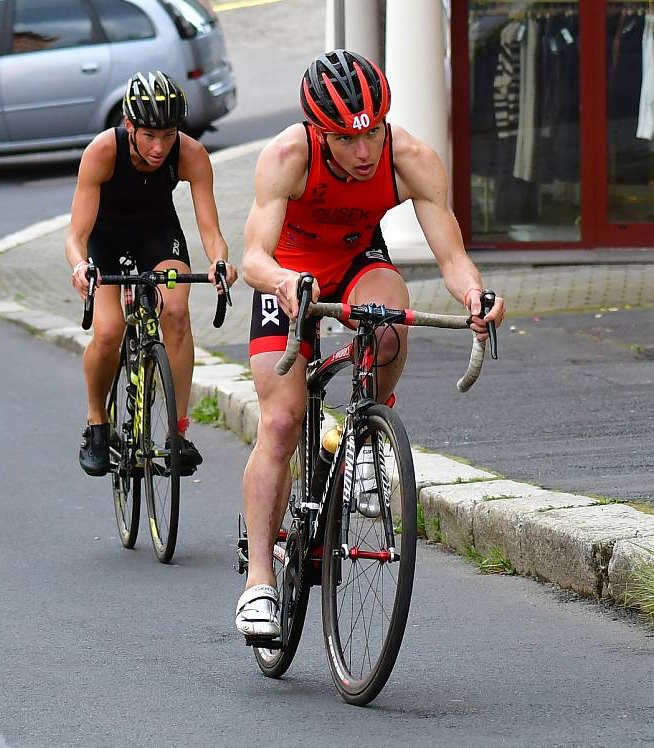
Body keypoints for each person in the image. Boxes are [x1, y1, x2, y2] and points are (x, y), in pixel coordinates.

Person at [235, 50, 506, 638]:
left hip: (357, 261)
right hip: (287, 278)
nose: (364, 153)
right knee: (280, 425)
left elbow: (453, 256)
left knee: (389, 322)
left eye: (373, 133)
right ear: (317, 131)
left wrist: (475, 297)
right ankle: (259, 581)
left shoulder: (410, 158)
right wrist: (282, 280)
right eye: (345, 140)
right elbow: (252, 255)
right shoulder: (287, 155)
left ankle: (362, 434)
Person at [66, 71, 236, 477]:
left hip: (157, 236)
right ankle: (96, 424)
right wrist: (80, 266)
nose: (160, 147)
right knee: (108, 331)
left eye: (169, 134)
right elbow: (76, 234)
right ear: (130, 126)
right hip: (105, 242)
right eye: (149, 136)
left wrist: (219, 262)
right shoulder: (102, 152)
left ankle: (177, 433)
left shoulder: (191, 154)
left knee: (175, 313)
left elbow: (211, 231)